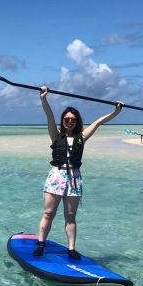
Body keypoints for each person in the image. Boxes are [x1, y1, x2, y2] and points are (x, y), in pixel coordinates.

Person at [34, 87, 123, 260]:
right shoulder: (55, 135)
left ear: (77, 122)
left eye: (73, 120)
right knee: (48, 214)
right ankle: (41, 244)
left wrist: (116, 111)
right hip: (57, 176)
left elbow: (98, 123)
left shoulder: (82, 137)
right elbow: (49, 116)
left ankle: (71, 249)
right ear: (63, 121)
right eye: (66, 119)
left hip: (74, 178)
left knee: (70, 216)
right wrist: (43, 98)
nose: (69, 122)